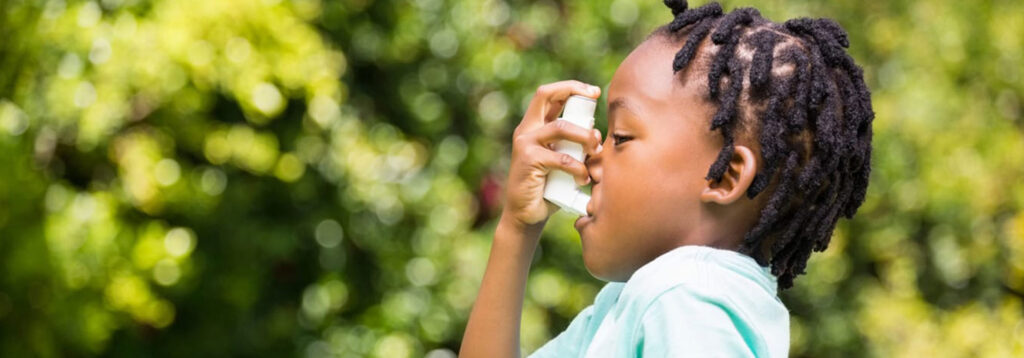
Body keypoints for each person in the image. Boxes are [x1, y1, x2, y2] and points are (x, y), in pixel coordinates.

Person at [459, 0, 874, 356]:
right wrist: (517, 227)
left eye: (620, 137)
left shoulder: (686, 298)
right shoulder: (641, 301)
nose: (592, 160)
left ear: (726, 177)